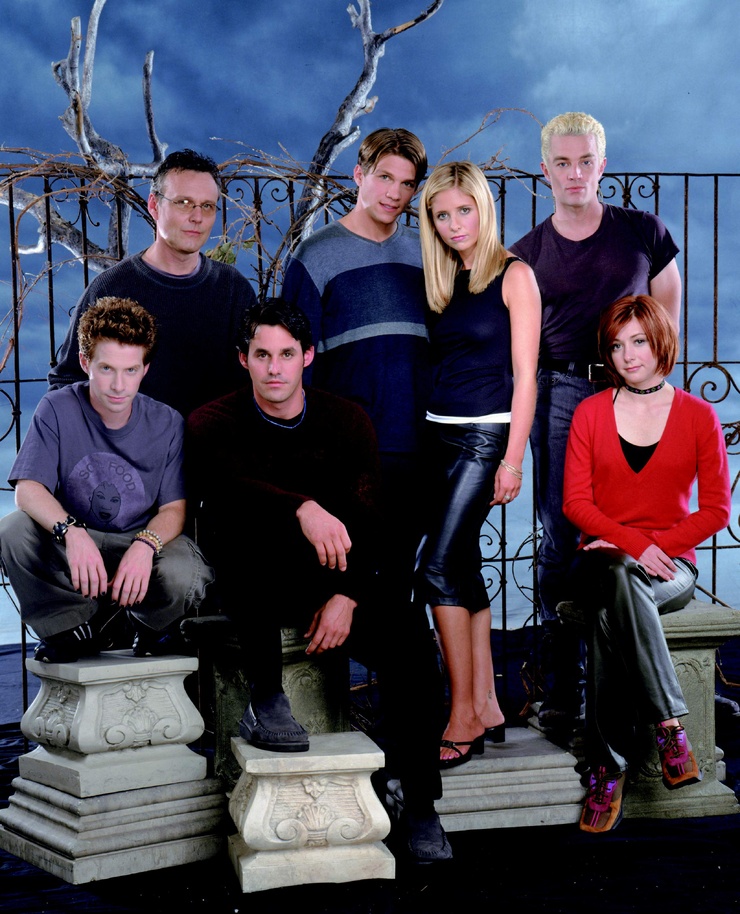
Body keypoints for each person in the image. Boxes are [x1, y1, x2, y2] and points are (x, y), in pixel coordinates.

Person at [186, 298, 452, 864]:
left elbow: (372, 522)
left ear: (307, 356)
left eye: (287, 354)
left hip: (330, 580)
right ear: (243, 359)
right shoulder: (212, 422)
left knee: (410, 639)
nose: (274, 368)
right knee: (244, 539)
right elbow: (226, 494)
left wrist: (348, 596)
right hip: (254, 579)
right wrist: (302, 508)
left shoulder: (346, 420)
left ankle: (418, 800)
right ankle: (266, 700)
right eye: (262, 355)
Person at [510, 112, 682, 731]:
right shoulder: (526, 255)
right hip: (561, 392)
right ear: (545, 171)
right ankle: (564, 691)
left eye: (586, 161)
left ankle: (640, 689)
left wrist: (652, 391)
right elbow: (520, 352)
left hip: (632, 389)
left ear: (602, 165)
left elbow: (667, 321)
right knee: (562, 536)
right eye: (562, 163)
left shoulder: (644, 232)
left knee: (637, 528)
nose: (575, 173)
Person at [562, 294, 731, 833]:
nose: (627, 356)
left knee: (610, 613)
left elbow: (717, 510)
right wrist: (634, 545)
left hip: (671, 567)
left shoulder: (699, 416)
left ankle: (606, 768)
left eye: (638, 341)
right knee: (617, 573)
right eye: (616, 346)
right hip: (601, 559)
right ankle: (670, 726)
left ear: (661, 341)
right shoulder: (591, 412)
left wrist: (657, 547)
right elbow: (576, 504)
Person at [0, 297, 214, 662]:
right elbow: (28, 489)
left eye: (130, 370)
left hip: (137, 537)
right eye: (106, 368)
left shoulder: (167, 422)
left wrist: (145, 546)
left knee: (186, 572)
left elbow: (174, 509)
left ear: (145, 368)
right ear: (85, 363)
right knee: (12, 531)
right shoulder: (57, 408)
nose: (118, 385)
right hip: (75, 539)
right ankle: (70, 626)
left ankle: (144, 626)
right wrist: (72, 532)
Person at [416, 162, 541, 767]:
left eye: (463, 210)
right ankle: (488, 704)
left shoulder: (515, 275)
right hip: (435, 434)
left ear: (483, 209)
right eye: (442, 215)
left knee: (436, 567)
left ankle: (462, 712)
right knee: (462, 565)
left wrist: (512, 461)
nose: (454, 224)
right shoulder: (442, 280)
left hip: (485, 437)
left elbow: (526, 377)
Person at [48, 148, 256, 417]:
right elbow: (67, 383)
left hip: (214, 442)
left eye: (207, 206)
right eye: (184, 202)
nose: (197, 217)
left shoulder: (233, 289)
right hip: (129, 443)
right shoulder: (111, 288)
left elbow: (256, 383)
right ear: (154, 205)